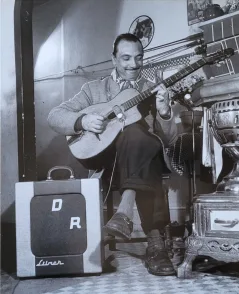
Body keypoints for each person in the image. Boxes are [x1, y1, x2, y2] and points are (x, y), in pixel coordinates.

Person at [48, 33, 178, 276]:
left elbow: (168, 139)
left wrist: (164, 111)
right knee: (134, 132)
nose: (133, 64)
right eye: (126, 58)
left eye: (139, 58)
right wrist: (82, 120)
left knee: (137, 134)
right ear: (114, 59)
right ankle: (154, 240)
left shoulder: (152, 90)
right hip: (102, 156)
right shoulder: (93, 89)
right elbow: (54, 116)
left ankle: (128, 218)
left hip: (142, 158)